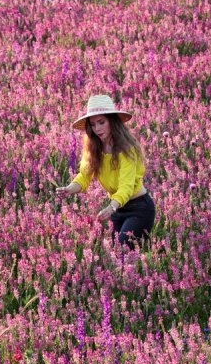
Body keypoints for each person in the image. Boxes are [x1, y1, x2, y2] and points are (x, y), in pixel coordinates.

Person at [57, 94, 155, 249]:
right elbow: (84, 176)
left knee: (123, 249)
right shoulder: (95, 149)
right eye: (93, 124)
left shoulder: (126, 149)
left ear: (112, 122)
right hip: (117, 208)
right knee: (117, 255)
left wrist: (111, 207)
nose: (97, 129)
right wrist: (69, 189)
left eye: (102, 122)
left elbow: (126, 186)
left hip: (139, 207)